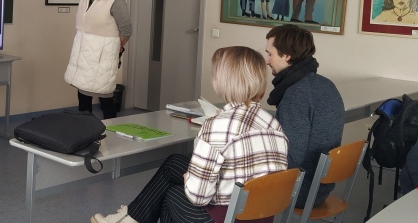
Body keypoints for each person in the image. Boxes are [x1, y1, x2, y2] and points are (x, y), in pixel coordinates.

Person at [92, 46, 289, 223]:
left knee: (172, 195)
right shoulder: (273, 124)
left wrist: (189, 180)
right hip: (261, 215)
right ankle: (130, 219)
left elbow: (199, 197)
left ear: (223, 80)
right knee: (173, 163)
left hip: (228, 217)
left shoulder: (216, 126)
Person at [265, 24, 344, 209]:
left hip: (300, 190)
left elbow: (291, 159)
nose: (267, 61)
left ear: (286, 55)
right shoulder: (325, 84)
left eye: (270, 54)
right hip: (320, 186)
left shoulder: (296, 94)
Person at [65, 0, 131, 119]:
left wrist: (117, 47)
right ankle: (84, 130)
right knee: (83, 96)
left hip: (102, 58)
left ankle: (112, 131)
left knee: (105, 98)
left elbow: (126, 30)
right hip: (84, 55)